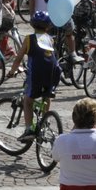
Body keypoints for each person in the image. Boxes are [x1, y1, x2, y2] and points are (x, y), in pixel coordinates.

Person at [11, 11, 66, 142]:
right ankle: (45, 120)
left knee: (28, 101)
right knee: (47, 95)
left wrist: (12, 71)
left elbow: (18, 58)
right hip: (52, 74)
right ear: (48, 27)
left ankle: (29, 129)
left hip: (36, 74)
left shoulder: (29, 39)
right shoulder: (50, 39)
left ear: (32, 25)